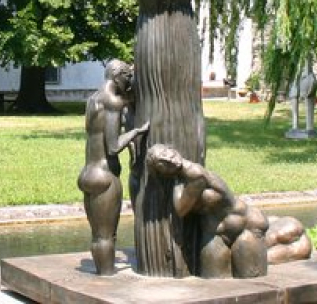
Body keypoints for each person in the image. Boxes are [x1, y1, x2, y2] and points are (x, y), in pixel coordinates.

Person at [145, 143, 269, 278]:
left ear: (172, 149)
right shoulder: (183, 177)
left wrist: (175, 183)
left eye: (165, 153)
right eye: (161, 164)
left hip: (245, 226)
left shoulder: (195, 174)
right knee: (213, 279)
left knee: (249, 278)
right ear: (161, 173)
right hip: (216, 233)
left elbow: (181, 210)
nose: (168, 160)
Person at [77, 60, 149, 275]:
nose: (129, 81)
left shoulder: (94, 98)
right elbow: (114, 145)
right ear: (117, 75)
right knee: (106, 235)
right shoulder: (113, 101)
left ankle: (102, 272)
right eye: (127, 76)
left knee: (97, 234)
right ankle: (106, 279)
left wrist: (129, 100)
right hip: (105, 176)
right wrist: (137, 131)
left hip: (87, 173)